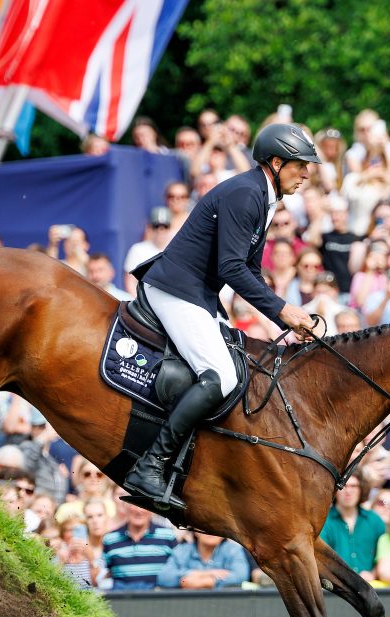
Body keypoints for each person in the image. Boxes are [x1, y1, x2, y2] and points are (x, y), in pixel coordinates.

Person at [123, 123, 318, 510]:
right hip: (176, 291)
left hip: (199, 294)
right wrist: (283, 309)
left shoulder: (265, 197)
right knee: (221, 376)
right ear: (276, 162)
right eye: (300, 165)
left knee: (241, 366)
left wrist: (282, 322)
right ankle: (151, 465)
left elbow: (249, 267)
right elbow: (232, 268)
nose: (307, 174)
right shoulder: (247, 194)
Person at [318, 474, 386, 580]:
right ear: (335, 489)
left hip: (370, 586)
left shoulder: (374, 520)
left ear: (361, 489)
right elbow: (320, 558)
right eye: (343, 486)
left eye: (354, 486)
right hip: (336, 587)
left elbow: (386, 554)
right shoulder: (324, 520)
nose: (348, 491)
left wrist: (373, 574)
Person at [101, 503, 179, 591]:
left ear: (152, 510)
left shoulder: (168, 535)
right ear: (125, 506)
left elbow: (179, 570)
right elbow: (101, 576)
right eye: (134, 504)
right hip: (122, 601)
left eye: (143, 505)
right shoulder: (110, 539)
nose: (139, 510)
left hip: (158, 600)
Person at [157, 530, 251, 589]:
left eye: (216, 526)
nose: (211, 531)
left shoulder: (233, 549)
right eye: (204, 526)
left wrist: (207, 582)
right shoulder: (182, 550)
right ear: (194, 530)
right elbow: (164, 577)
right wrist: (207, 573)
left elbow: (240, 576)